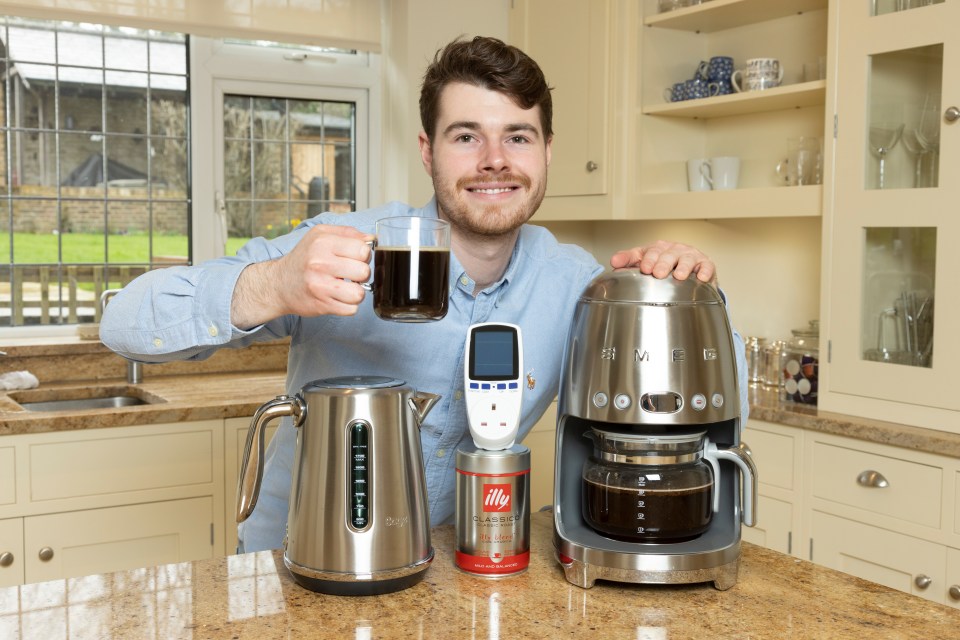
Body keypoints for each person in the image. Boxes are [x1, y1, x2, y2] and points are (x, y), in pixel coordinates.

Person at [100, 35, 748, 553]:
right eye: (466, 136)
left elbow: (720, 392)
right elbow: (123, 324)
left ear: (547, 152)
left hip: (452, 574)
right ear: (427, 151)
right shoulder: (339, 248)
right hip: (291, 568)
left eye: (517, 136)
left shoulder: (577, 288)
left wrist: (686, 307)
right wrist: (269, 284)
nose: (495, 159)